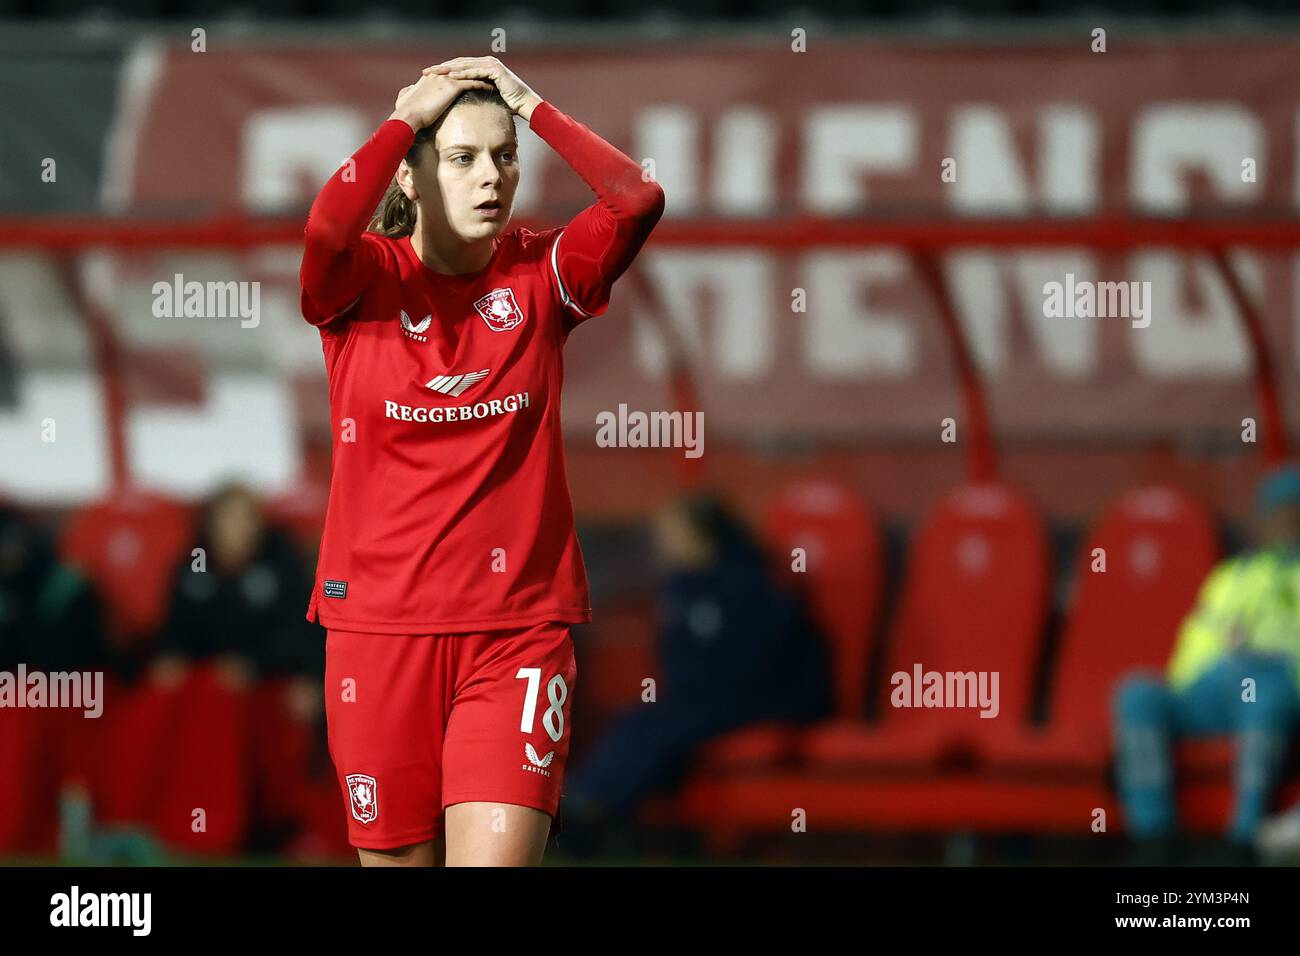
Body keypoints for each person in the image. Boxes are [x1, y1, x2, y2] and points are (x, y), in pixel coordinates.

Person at [298, 56, 664, 866]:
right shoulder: (361, 282)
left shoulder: (543, 273)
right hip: (379, 634)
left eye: (504, 156)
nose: (490, 177)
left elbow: (637, 199)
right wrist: (403, 118)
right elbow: (325, 230)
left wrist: (532, 106)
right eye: (461, 158)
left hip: (517, 634)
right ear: (413, 175)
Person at [561, 493, 833, 855]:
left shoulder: (758, 582)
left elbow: (767, 661)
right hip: (707, 698)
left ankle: (598, 814)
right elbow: (678, 659)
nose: (662, 543)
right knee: (639, 721)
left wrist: (704, 684)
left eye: (670, 532)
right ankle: (585, 804)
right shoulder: (683, 587)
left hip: (772, 699)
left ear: (701, 535)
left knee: (668, 724)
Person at [1112, 465, 1300, 863]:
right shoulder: (1229, 576)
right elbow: (1194, 643)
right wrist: (1205, 677)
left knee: (1267, 696)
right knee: (1138, 694)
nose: (1285, 522)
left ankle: (1244, 838)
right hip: (1211, 689)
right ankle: (1154, 836)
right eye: (1277, 513)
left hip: (1277, 688)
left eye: (1294, 511)